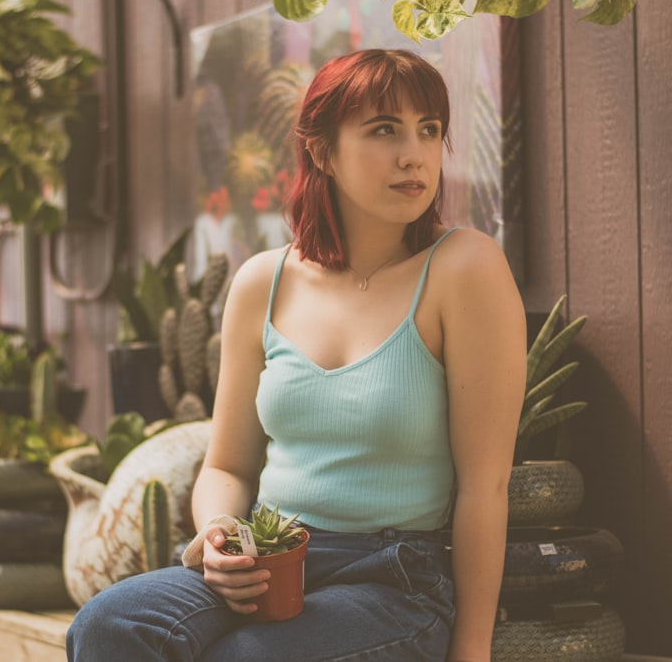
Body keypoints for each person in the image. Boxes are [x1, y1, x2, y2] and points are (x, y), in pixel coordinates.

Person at [67, 48, 526, 661]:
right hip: (270, 553)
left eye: (429, 130)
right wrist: (218, 534)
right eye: (384, 130)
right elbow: (227, 465)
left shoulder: (463, 267)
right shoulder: (264, 281)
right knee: (107, 625)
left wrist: (472, 651)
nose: (414, 153)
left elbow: (484, 486)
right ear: (322, 151)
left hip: (395, 575)